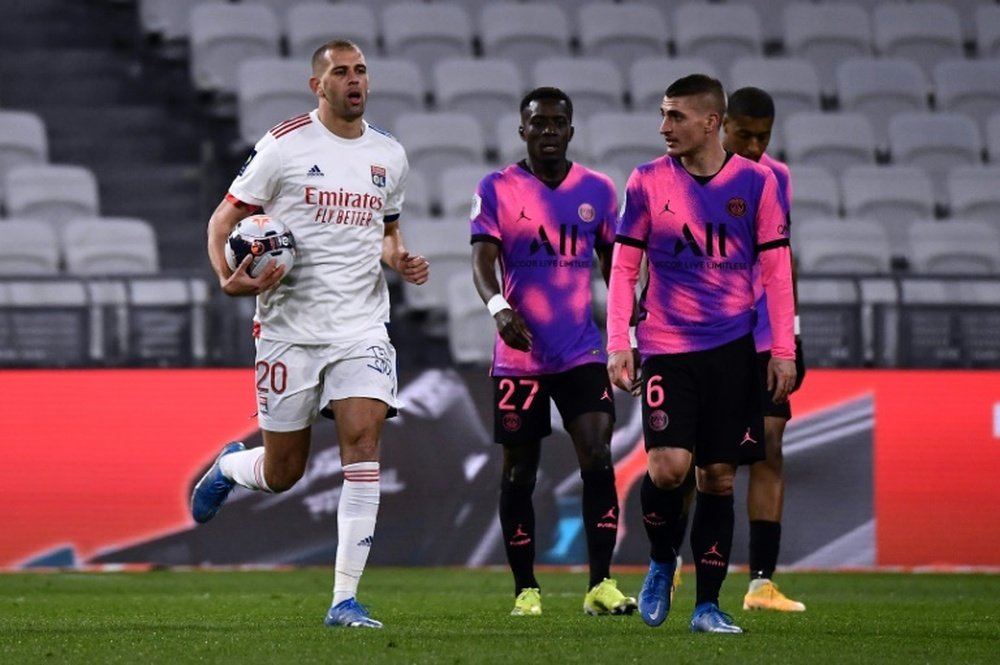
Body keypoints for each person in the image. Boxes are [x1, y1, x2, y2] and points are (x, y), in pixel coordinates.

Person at [191, 39, 429, 629]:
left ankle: (343, 601)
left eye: (362, 71)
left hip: (361, 326)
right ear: (317, 85)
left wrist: (397, 258)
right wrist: (227, 278)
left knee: (363, 442)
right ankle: (228, 468)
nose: (354, 81)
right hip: (288, 329)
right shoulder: (284, 144)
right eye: (341, 72)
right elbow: (224, 219)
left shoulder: (389, 155)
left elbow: (387, 232)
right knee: (283, 473)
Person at [606, 74, 796, 634]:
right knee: (668, 470)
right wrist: (620, 341)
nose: (664, 126)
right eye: (663, 115)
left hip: (734, 350)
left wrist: (781, 349)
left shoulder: (757, 184)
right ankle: (663, 557)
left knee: (718, 477)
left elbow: (777, 272)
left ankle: (708, 606)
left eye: (676, 117)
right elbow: (623, 267)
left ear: (711, 123)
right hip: (666, 345)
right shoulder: (644, 182)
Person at [471, 86, 637, 618]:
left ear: (570, 129)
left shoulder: (598, 190)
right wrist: (499, 307)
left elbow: (617, 265)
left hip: (581, 352)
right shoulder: (496, 188)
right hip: (519, 356)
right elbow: (482, 261)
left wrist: (625, 326)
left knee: (598, 457)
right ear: (522, 130)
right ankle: (526, 590)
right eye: (537, 123)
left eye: (557, 123)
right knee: (521, 472)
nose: (547, 131)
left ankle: (601, 585)